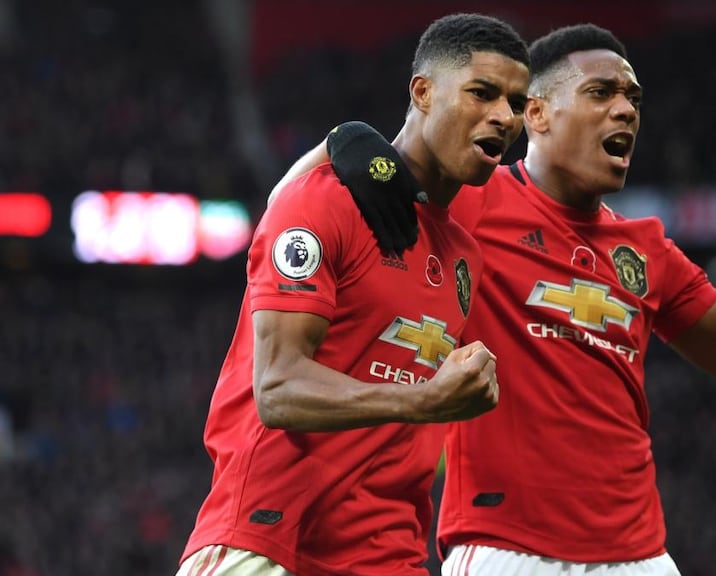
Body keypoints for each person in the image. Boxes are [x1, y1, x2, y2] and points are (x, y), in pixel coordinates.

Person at [280, 23, 716, 576]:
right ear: (537, 114)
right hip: (506, 548)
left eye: (633, 99)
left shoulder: (647, 250)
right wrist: (341, 141)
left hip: (642, 556)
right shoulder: (470, 202)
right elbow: (302, 207)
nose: (625, 110)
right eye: (601, 93)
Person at [177, 14, 530, 576]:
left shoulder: (466, 253)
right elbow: (278, 389)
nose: (504, 117)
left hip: (388, 555)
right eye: (482, 93)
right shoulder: (325, 200)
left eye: (515, 103)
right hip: (271, 542)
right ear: (422, 92)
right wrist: (424, 401)